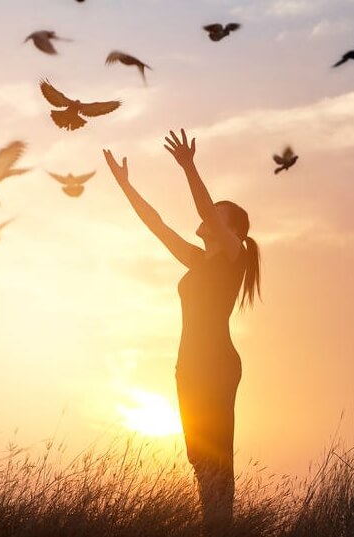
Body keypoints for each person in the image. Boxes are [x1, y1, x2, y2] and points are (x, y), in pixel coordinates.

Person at [103, 129, 261, 533]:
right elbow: (156, 225)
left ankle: (222, 525)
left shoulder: (234, 256)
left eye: (218, 213)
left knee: (216, 454)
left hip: (216, 363)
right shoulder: (198, 262)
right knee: (198, 455)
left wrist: (189, 167)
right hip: (187, 364)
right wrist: (126, 185)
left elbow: (207, 210)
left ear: (233, 231)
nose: (207, 216)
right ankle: (215, 523)